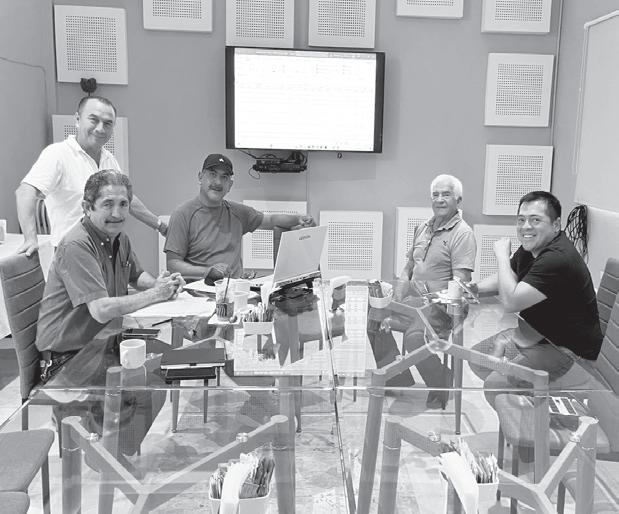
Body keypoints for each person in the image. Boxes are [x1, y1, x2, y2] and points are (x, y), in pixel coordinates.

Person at [36, 169, 184, 379]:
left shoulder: (119, 238)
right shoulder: (76, 245)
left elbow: (136, 275)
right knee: (154, 379)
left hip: (104, 342)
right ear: (87, 208)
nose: (117, 213)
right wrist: (157, 293)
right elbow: (101, 310)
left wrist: (159, 284)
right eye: (108, 204)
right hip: (66, 360)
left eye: (123, 204)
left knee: (173, 365)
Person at [468, 191, 603, 406]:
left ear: (556, 224)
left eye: (535, 220)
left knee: (496, 385)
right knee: (479, 359)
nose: (526, 227)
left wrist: (502, 257)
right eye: (521, 220)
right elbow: (510, 275)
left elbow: (511, 302)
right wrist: (474, 289)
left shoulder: (557, 259)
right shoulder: (532, 248)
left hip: (567, 352)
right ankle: (525, 403)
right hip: (537, 335)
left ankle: (529, 415)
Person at [16, 96, 168, 256]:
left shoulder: (109, 159)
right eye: (94, 120)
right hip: (73, 253)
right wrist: (30, 239)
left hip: (106, 250)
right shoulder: (58, 154)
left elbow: (129, 200)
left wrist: (160, 226)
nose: (100, 129)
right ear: (77, 120)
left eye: (107, 123)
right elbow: (25, 192)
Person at [377, 174, 476, 408]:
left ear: (458, 199)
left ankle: (441, 381)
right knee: (375, 316)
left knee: (414, 337)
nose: (439, 199)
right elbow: (407, 269)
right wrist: (395, 303)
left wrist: (430, 302)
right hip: (416, 302)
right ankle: (397, 378)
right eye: (435, 194)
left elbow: (460, 283)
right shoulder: (422, 228)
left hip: (442, 307)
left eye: (446, 194)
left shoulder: (463, 234)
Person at [165, 153, 314, 282]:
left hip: (235, 292)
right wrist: (207, 271)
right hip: (198, 295)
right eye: (212, 174)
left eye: (224, 177)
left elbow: (271, 220)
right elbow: (172, 265)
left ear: (230, 185)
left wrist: (299, 219)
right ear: (200, 177)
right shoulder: (182, 215)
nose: (218, 182)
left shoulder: (237, 212)